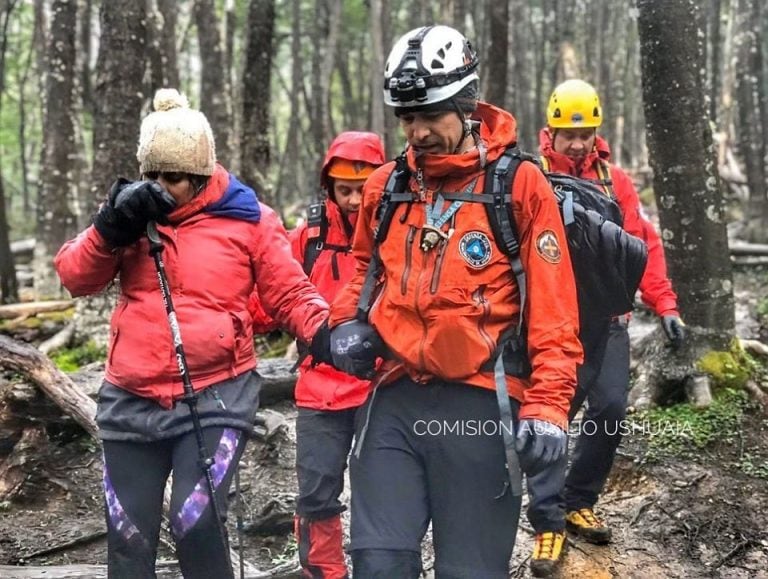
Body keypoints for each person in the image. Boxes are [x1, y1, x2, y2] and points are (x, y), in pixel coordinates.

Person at [315, 25, 584, 578]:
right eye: (406, 118)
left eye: (430, 114)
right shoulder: (386, 186)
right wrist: (345, 324)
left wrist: (549, 408)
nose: (417, 131)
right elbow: (365, 271)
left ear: (464, 104)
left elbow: (556, 315)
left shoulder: (520, 186)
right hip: (392, 401)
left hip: (483, 404)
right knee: (378, 565)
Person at [54, 88, 328, 579]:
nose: (161, 187)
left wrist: (329, 333)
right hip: (130, 398)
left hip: (215, 396)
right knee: (128, 536)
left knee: (194, 522)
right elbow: (75, 276)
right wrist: (110, 228)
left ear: (200, 175)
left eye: (174, 177)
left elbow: (289, 294)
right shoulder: (126, 215)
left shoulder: (249, 218)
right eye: (152, 175)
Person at [525, 78, 685, 577]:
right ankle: (547, 521)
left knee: (611, 407)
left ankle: (578, 499)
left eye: (585, 133)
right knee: (552, 414)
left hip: (610, 319)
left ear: (597, 131)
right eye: (568, 134)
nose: (577, 143)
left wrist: (665, 304)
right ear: (551, 130)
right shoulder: (532, 176)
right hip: (553, 321)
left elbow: (643, 244)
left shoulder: (616, 182)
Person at [251, 131, 385, 578]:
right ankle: (324, 573)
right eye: (342, 190)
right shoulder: (308, 235)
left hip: (381, 388)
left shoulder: (397, 230)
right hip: (319, 388)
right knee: (316, 494)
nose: (351, 200)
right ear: (327, 186)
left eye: (360, 190)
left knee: (379, 495)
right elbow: (267, 298)